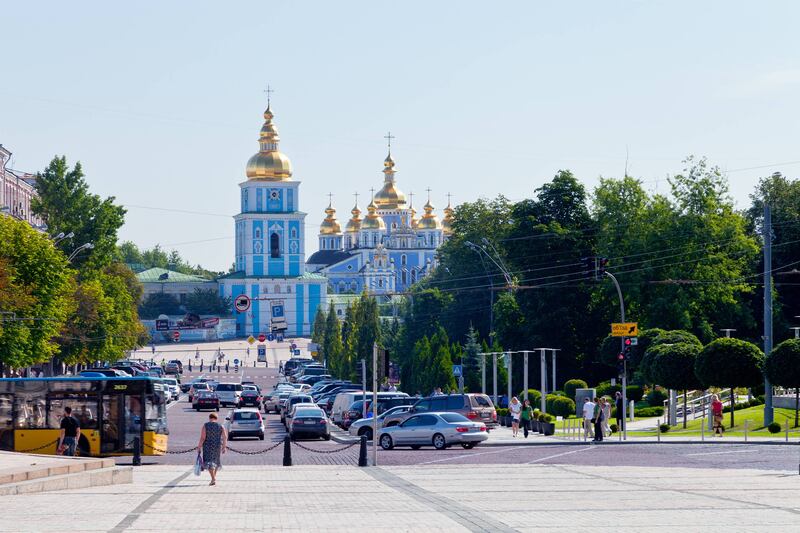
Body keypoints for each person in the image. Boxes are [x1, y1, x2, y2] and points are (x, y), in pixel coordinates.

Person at [198, 412, 227, 486]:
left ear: (209, 418)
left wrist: (199, 447)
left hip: (207, 446)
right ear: (216, 418)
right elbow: (225, 437)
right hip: (217, 446)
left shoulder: (206, 425)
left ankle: (213, 478)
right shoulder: (220, 426)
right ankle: (213, 478)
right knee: (216, 461)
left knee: (209, 462)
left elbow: (203, 437)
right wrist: (224, 447)